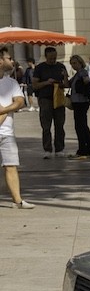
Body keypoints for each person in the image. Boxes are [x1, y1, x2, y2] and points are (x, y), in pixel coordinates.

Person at [0, 50, 34, 208]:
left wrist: (3, 110)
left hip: (7, 132)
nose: (12, 61)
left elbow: (20, 102)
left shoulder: (11, 82)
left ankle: (18, 201)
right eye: (9, 58)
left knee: (11, 165)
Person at [31, 46, 69, 159]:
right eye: (51, 58)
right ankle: (47, 149)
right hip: (45, 99)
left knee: (60, 125)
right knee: (46, 126)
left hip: (58, 98)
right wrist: (47, 83)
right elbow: (35, 85)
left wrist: (65, 77)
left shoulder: (61, 66)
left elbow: (66, 85)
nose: (53, 60)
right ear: (46, 57)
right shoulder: (40, 68)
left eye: (55, 58)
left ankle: (59, 148)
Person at [67, 54, 90, 159]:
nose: (74, 65)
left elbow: (86, 81)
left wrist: (83, 85)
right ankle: (88, 149)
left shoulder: (82, 72)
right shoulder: (77, 74)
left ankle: (83, 150)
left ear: (80, 63)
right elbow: (67, 84)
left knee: (81, 126)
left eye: (75, 63)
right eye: (72, 64)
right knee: (81, 126)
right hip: (77, 102)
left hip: (81, 102)